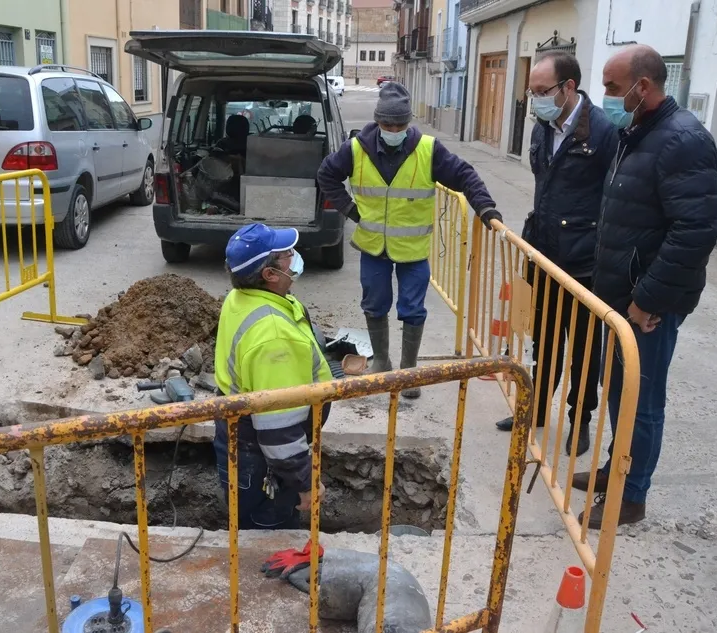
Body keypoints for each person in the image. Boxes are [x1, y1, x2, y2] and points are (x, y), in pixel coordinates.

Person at [574, 45, 717, 528]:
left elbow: (694, 232)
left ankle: (631, 498)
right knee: (618, 389)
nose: (607, 96)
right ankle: (616, 470)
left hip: (648, 303)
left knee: (643, 401)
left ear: (643, 86)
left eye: (613, 87)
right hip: (621, 295)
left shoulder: (684, 140)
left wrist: (646, 300)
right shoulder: (635, 132)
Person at [317, 81, 502, 398]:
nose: (393, 129)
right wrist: (349, 209)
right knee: (374, 304)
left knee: (412, 309)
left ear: (409, 121)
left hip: (413, 252)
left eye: (399, 124)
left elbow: (465, 175)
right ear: (377, 120)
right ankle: (382, 364)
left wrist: (485, 208)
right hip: (373, 247)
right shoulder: (356, 149)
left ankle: (407, 370)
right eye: (387, 123)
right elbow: (326, 175)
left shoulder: (428, 151)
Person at [493, 52, 617, 458]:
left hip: (582, 262)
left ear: (569, 87)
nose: (536, 101)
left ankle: (579, 420)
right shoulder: (542, 128)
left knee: (582, 348)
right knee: (543, 341)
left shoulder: (602, 132)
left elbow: (613, 199)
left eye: (542, 92)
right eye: (531, 93)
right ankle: (536, 409)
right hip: (541, 252)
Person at [213, 223, 332, 530]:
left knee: (248, 519)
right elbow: (278, 432)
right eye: (286, 255)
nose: (294, 256)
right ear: (269, 275)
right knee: (266, 535)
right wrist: (305, 484)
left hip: (239, 439)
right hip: (262, 455)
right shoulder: (274, 337)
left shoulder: (240, 298)